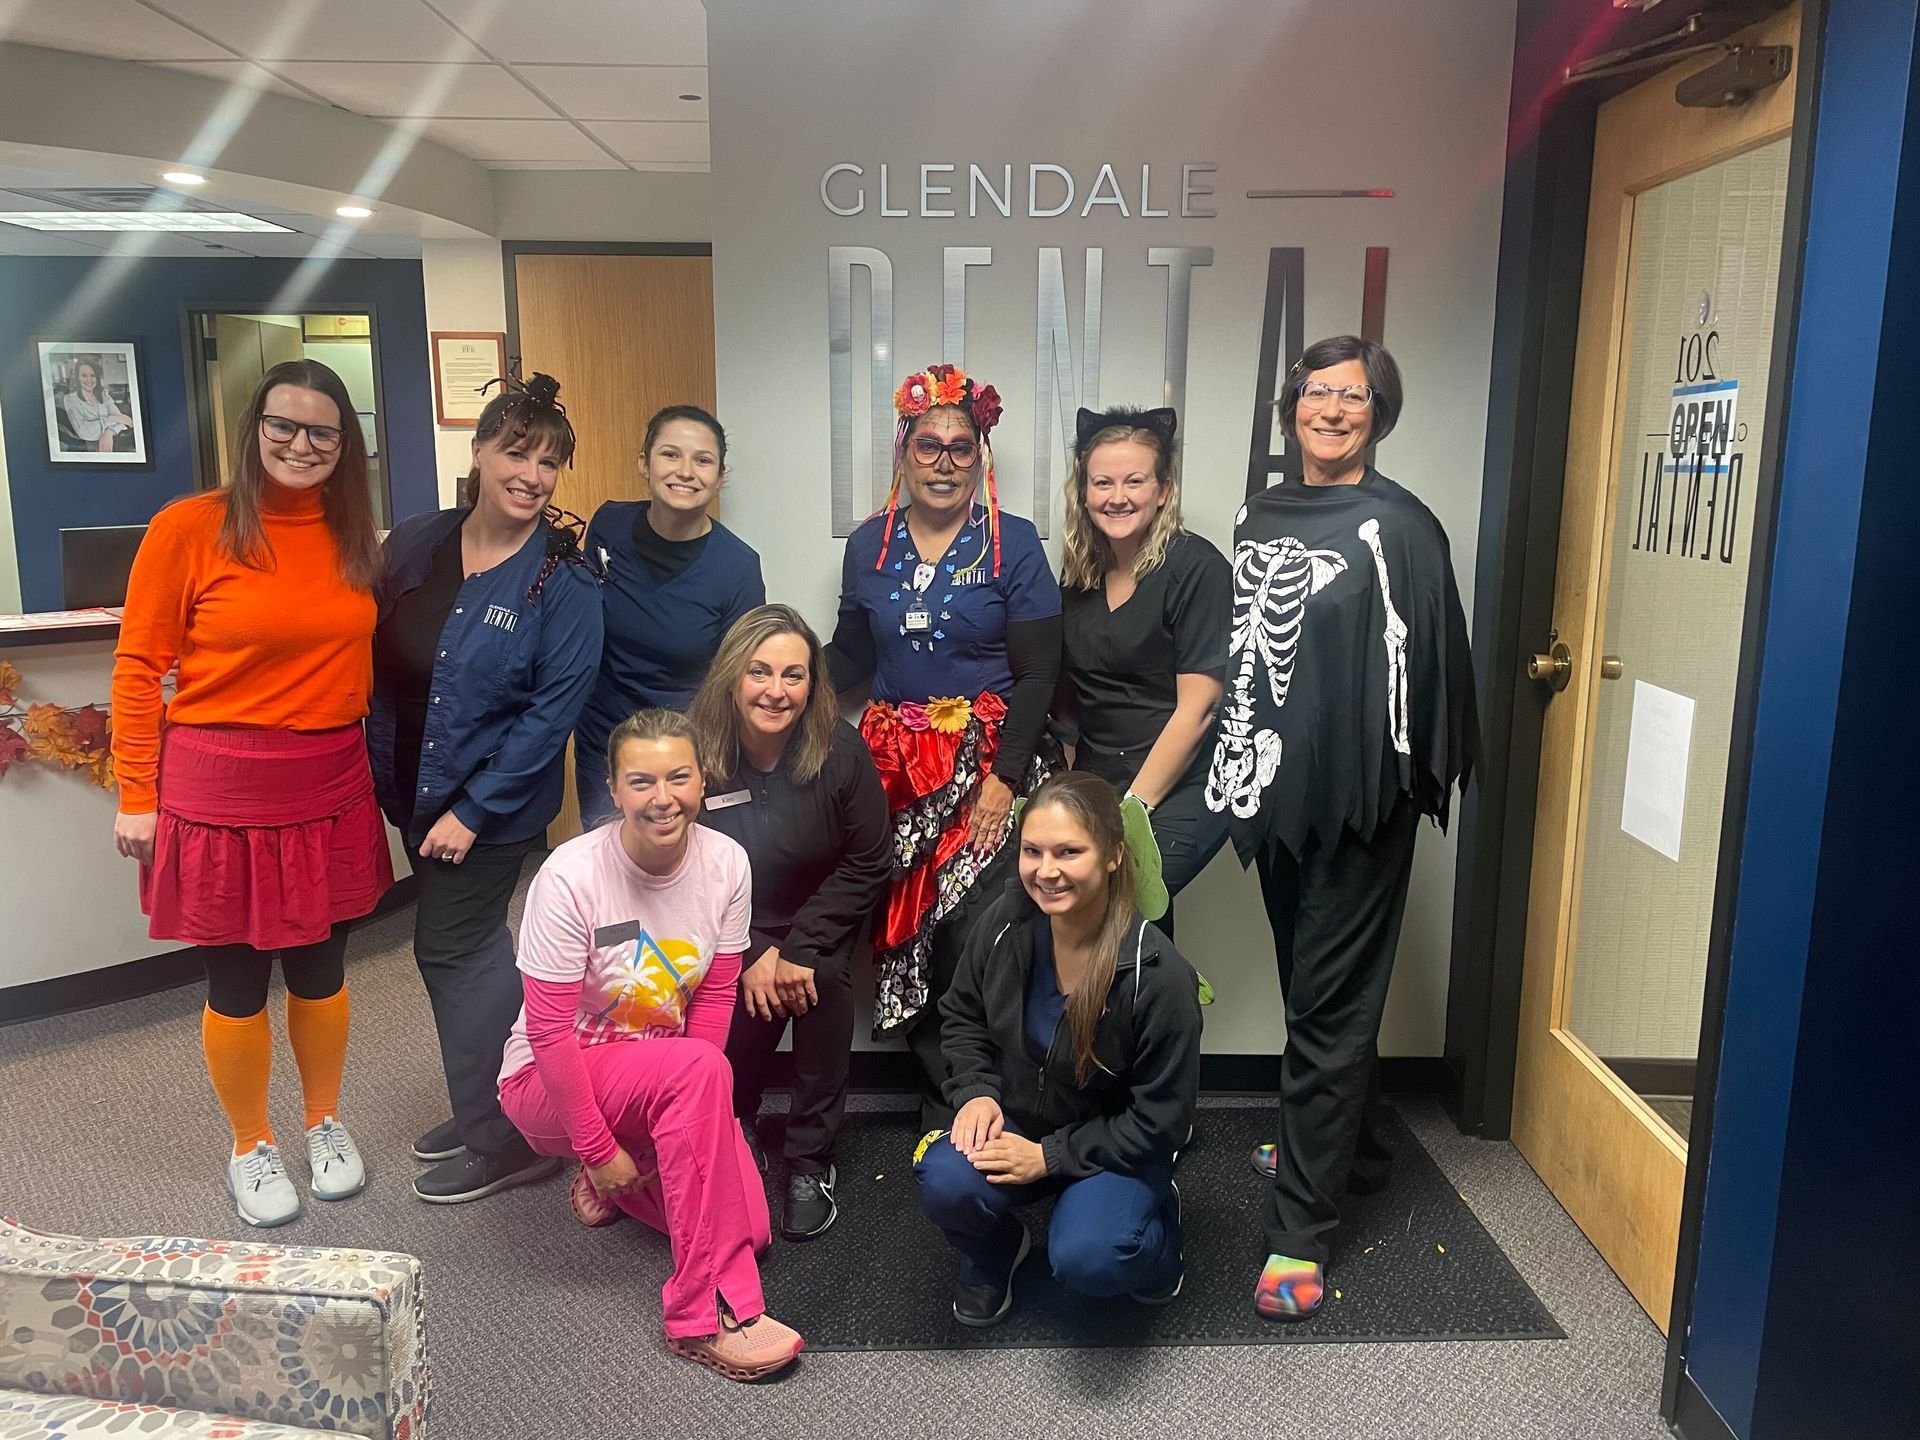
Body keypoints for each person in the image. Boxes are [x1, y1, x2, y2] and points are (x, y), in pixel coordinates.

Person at [1203, 336, 1479, 1320]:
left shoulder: (1401, 525)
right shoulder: (1259, 513)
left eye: (1351, 395)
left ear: (1378, 412)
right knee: (1313, 983)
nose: (1329, 408)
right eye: (1315, 392)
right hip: (1281, 796)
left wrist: (1395, 787)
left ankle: (1299, 1232)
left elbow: (1432, 664)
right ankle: (1349, 1145)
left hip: (1362, 804)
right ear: (1293, 408)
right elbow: (1246, 655)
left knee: (1327, 1000)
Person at [110, 359, 391, 1228]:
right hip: (220, 785)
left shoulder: (352, 531)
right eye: (284, 426)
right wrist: (136, 790)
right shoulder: (191, 528)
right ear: (253, 428)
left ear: (346, 446)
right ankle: (249, 1144)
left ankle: (322, 1123)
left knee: (321, 971)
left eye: (322, 432)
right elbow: (136, 663)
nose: (301, 445)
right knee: (235, 980)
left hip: (331, 779)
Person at [496, 708, 804, 1381]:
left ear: (701, 782)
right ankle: (704, 1315)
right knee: (696, 1079)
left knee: (748, 1230)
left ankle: (615, 1187)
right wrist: (598, 1147)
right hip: (548, 1085)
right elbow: (548, 1031)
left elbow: (718, 996)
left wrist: (682, 1128)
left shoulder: (727, 865)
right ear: (612, 788)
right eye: (641, 781)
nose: (662, 798)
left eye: (678, 777)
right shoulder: (571, 876)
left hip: (662, 1084)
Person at [370, 372, 604, 1204]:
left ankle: (509, 1136)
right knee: (464, 958)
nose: (532, 475)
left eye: (549, 463)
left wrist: (474, 809)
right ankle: (488, 1102)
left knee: (456, 953)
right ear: (478, 451)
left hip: (489, 811)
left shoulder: (562, 580)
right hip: (411, 791)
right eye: (517, 451)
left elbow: (552, 713)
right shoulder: (418, 544)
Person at [827, 363, 1062, 1131]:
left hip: (990, 760)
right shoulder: (869, 545)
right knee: (902, 930)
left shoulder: (1013, 545)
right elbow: (852, 659)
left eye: (963, 448)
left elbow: (1039, 674)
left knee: (973, 929)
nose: (945, 463)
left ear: (982, 456)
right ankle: (949, 1099)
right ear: (905, 450)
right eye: (930, 446)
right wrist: (771, 685)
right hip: (894, 767)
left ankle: (988, 1095)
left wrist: (1005, 781)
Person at [914, 772, 1202, 1327]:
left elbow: (1163, 1120)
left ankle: (1157, 1234)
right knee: (943, 1178)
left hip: (1112, 1146)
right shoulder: (1002, 922)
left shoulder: (1158, 975)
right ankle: (997, 1250)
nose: (1046, 872)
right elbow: (962, 1014)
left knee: (1091, 1259)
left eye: (1069, 852)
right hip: (1018, 1122)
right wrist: (974, 1092)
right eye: (1032, 851)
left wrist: (1049, 1158)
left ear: (1114, 855)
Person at [684, 604, 891, 1239]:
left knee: (821, 984)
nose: (776, 690)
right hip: (726, 926)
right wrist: (746, 953)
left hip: (816, 922)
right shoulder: (696, 749)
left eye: (793, 675)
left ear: (813, 684)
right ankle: (734, 1124)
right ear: (732, 676)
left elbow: (870, 860)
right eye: (760, 672)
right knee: (737, 1004)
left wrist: (799, 946)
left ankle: (809, 1157)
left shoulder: (839, 750)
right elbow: (678, 863)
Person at [1056, 405, 1231, 940]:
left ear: (1163, 489)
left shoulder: (1197, 568)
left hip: (1185, 784)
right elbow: (1068, 702)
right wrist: (1072, 793)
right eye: (1102, 481)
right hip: (1099, 778)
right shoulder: (1080, 577)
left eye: (1135, 481)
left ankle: (1156, 1020)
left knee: (1123, 901)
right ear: (1083, 492)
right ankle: (1131, 1021)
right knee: (1102, 927)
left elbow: (1198, 710)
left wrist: (1131, 813)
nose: (1117, 496)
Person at [573, 406, 765, 828]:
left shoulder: (738, 566)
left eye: (703, 460)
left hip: (685, 747)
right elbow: (581, 617)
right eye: (670, 455)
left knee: (676, 874)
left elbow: (737, 678)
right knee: (609, 869)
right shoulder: (608, 524)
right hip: (605, 740)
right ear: (644, 463)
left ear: (720, 477)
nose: (686, 471)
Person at [62, 356, 133, 452]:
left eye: (92, 375)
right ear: (77, 378)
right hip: (88, 448)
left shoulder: (103, 395)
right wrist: (114, 419)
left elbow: (123, 422)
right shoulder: (70, 400)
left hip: (114, 442)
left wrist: (109, 432)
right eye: (84, 375)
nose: (89, 380)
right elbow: (84, 432)